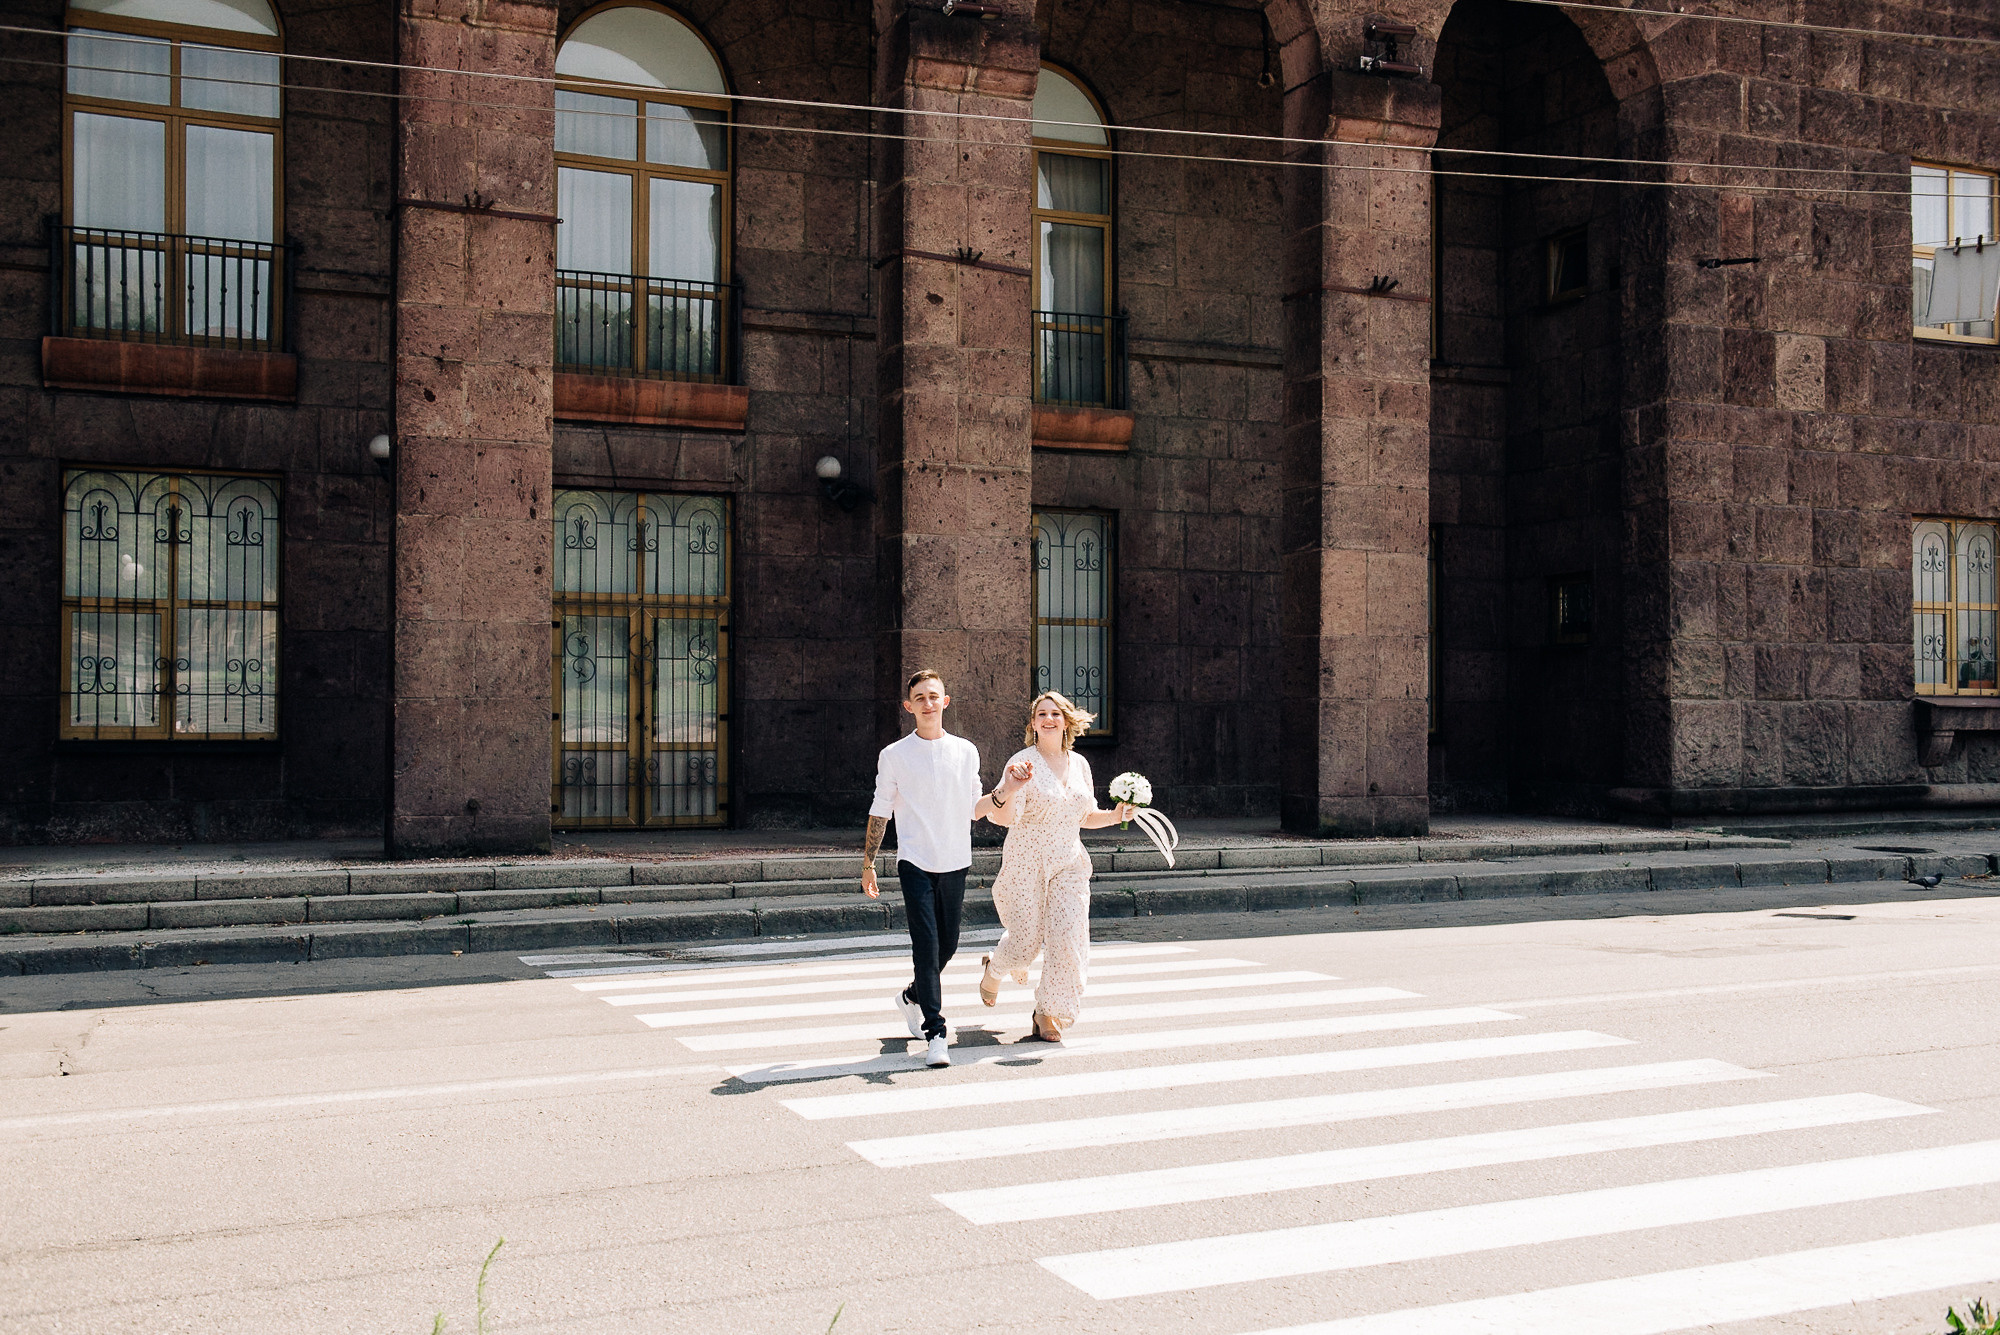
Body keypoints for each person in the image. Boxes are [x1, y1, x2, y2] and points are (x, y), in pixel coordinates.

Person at [862, 670, 1027, 1067]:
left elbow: (975, 808)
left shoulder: (965, 750)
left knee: (948, 943)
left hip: (955, 859)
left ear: (945, 701)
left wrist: (1007, 788)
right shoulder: (894, 755)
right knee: (926, 943)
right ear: (909, 706)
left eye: (933, 696)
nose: (927, 703)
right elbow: (880, 811)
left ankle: (912, 995)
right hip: (914, 861)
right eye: (919, 697)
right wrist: (868, 863)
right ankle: (936, 1032)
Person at [973, 691, 1135, 1042]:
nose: (1049, 719)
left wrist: (1115, 816)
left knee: (1067, 940)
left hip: (1068, 863)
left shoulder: (1080, 765)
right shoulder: (1021, 762)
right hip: (1026, 861)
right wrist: (1012, 788)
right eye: (1041, 714)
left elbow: (1084, 816)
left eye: (1055, 714)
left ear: (1066, 721)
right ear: (1032, 724)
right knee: (1025, 944)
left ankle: (1048, 1012)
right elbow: (1003, 817)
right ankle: (995, 968)